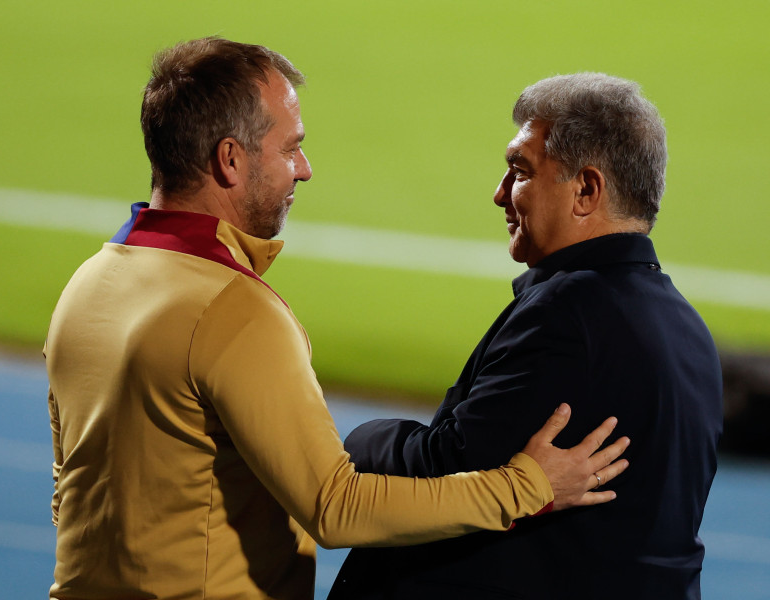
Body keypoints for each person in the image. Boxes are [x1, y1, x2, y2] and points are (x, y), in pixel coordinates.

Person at [43, 40, 629, 600]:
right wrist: (527, 487)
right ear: (230, 159)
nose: (304, 168)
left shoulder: (86, 286)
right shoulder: (233, 312)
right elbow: (336, 506)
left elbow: (69, 492)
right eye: (290, 147)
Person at [328, 73, 723, 600]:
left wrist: (357, 438)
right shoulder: (688, 327)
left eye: (519, 172)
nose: (499, 194)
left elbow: (445, 470)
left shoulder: (569, 311)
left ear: (586, 189)